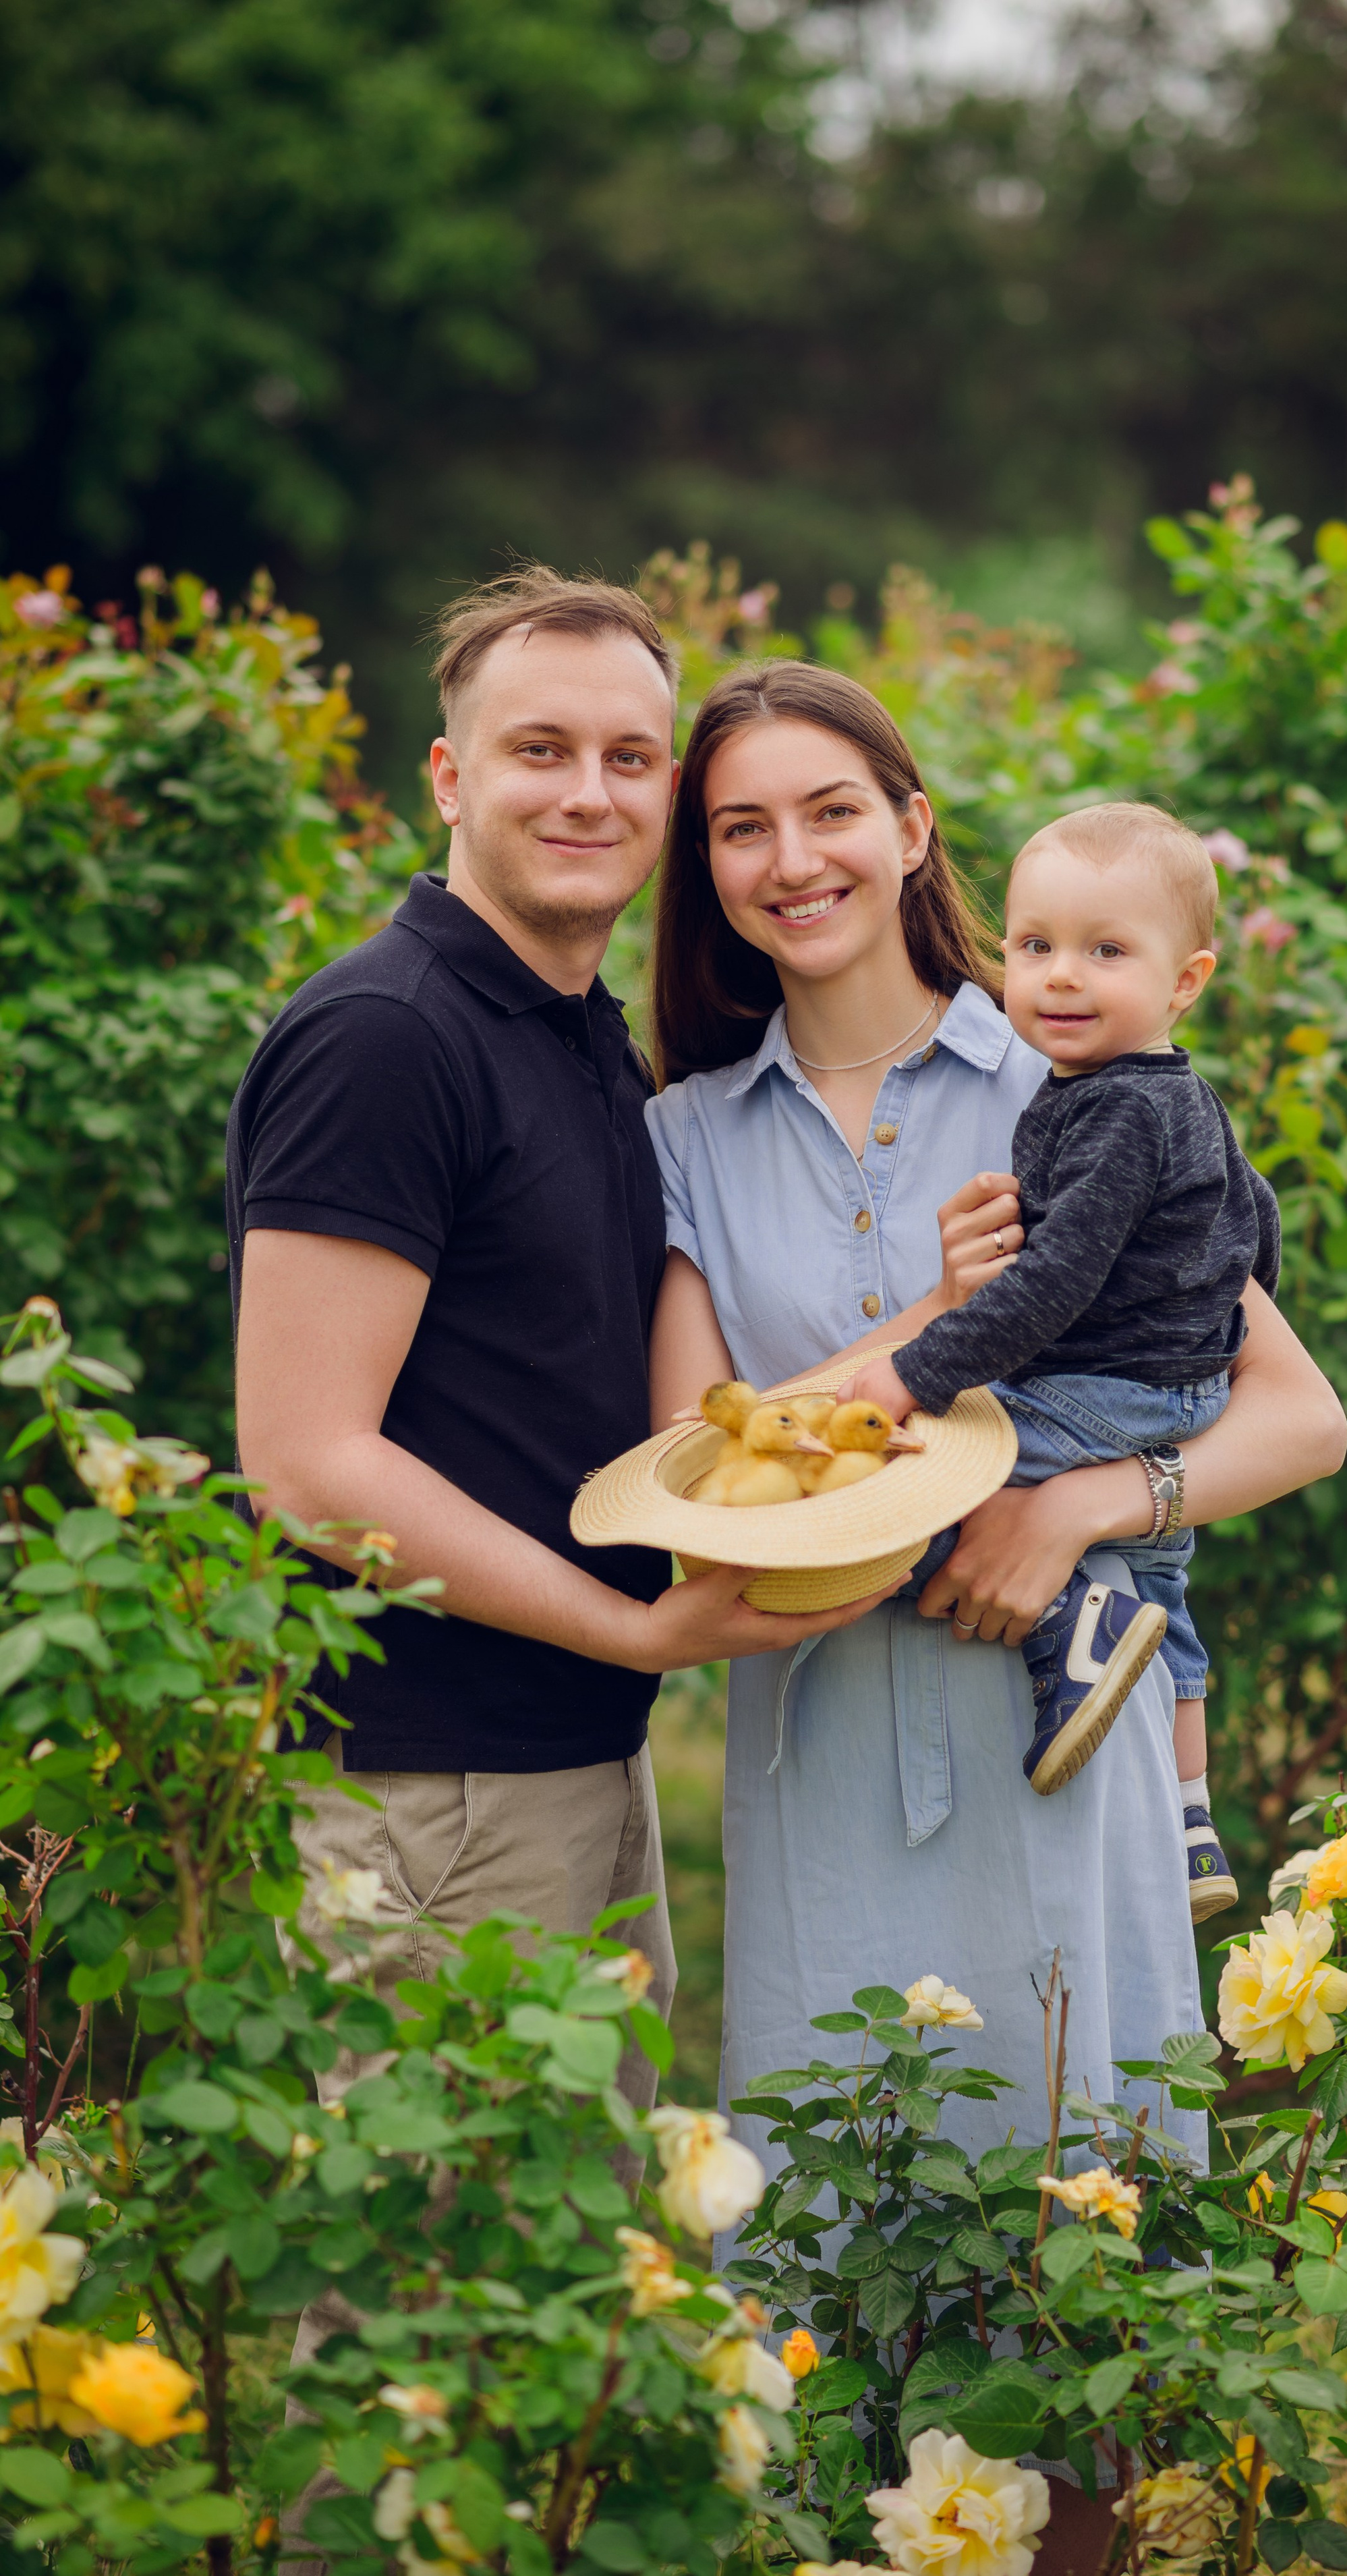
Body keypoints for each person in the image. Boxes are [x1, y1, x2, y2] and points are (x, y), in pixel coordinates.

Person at [643, 658, 1347, 2576]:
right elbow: (697, 1475)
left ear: (910, 822)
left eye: (830, 809)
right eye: (740, 826)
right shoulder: (685, 1134)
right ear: (703, 870)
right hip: (828, 1741)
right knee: (853, 2241)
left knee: (1073, 2226)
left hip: (1062, 1730)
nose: (794, 859)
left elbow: (1295, 1410)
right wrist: (908, 1430)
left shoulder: (1074, 1064)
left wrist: (1078, 1501)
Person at [227, 572, 896, 2068]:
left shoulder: (588, 1040)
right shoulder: (386, 1041)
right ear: (452, 779)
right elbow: (305, 1463)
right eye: (540, 750)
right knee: (417, 2286)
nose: (587, 792)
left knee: (560, 2283)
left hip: (565, 1758)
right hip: (430, 1788)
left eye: (627, 757)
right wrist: (638, 1631)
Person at [843, 801, 1274, 1915]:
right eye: (1035, 947)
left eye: (1106, 951)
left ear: (1187, 981)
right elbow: (1256, 1221)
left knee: (909, 1486)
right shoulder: (1173, 1095)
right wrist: (1207, 1341)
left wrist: (916, 1371)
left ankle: (1064, 1621)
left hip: (1106, 1388)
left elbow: (1054, 1283)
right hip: (1173, 1390)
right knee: (1168, 1596)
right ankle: (1190, 1826)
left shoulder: (1120, 1110)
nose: (1062, 977)